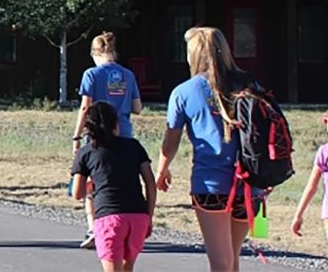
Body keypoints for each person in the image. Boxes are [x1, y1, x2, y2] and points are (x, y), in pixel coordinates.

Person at [157, 27, 265, 272]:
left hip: (211, 185)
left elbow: (170, 140)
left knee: (220, 262)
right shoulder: (249, 83)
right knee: (232, 258)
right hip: (251, 184)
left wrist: (162, 170)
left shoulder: (184, 92)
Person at [73, 31, 143, 248]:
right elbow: (137, 107)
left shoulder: (91, 74)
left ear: (95, 52)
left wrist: (77, 135)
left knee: (92, 184)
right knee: (122, 181)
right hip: (123, 133)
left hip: (97, 136)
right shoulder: (128, 75)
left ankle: (94, 227)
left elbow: (86, 106)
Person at [71, 102, 157, 272]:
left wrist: (91, 188)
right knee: (128, 267)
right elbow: (150, 182)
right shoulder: (134, 146)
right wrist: (149, 215)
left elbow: (77, 193)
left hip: (108, 218)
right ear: (115, 124)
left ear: (88, 127)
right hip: (138, 216)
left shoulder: (86, 153)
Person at [290, 99, 328, 272]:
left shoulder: (324, 152)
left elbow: (311, 187)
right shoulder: (327, 153)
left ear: (326, 121)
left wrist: (298, 215)